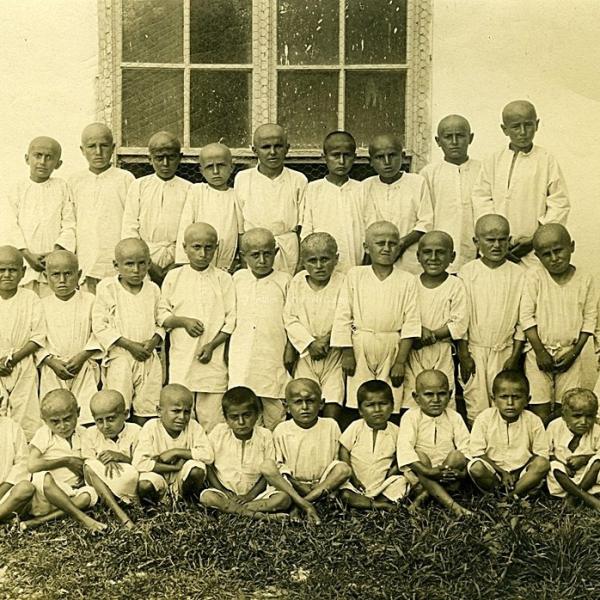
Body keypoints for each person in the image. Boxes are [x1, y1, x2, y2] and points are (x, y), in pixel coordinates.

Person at [331, 221, 421, 421]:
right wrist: (347, 353)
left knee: (390, 398)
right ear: (366, 247)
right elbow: (343, 315)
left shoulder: (407, 279)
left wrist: (400, 361)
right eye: (380, 243)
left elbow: (411, 322)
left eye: (392, 243)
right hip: (360, 343)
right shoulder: (355, 275)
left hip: (392, 345)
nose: (387, 248)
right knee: (359, 400)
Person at [472, 100, 569, 268]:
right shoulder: (493, 160)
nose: (523, 132)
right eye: (516, 127)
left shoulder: (546, 160)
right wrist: (498, 239)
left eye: (528, 125)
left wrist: (535, 239)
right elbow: (482, 199)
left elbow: (559, 204)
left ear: (537, 124)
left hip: (534, 249)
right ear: (505, 129)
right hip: (498, 248)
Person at [159, 223, 235, 432]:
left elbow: (231, 319)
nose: (203, 253)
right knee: (182, 415)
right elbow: (162, 315)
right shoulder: (175, 277)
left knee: (213, 419)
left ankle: (211, 461)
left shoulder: (223, 279)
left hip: (213, 360)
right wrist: (183, 321)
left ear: (216, 247)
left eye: (209, 247)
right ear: (184, 247)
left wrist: (212, 345)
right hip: (183, 358)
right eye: (196, 247)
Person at [520, 224, 596, 423]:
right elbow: (526, 317)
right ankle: (541, 451)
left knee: (567, 408)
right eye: (546, 254)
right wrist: (540, 351)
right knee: (540, 410)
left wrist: (573, 353)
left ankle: (560, 451)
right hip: (537, 353)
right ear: (537, 256)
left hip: (570, 352)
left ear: (571, 246)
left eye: (558, 250)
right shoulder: (534, 277)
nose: (554, 258)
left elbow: (589, 319)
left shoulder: (585, 279)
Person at [457, 215, 525, 424]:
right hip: (475, 351)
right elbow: (461, 317)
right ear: (477, 242)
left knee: (505, 406)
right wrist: (464, 354)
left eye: (502, 240)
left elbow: (523, 320)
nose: (496, 245)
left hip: (504, 351)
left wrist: (514, 357)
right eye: (490, 240)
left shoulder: (520, 274)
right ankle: (476, 453)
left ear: (509, 240)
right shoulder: (467, 273)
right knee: (476, 407)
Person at [92, 239, 163, 425]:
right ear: (116, 265)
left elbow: (161, 320)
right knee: (118, 404)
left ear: (149, 263)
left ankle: (143, 447)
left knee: (148, 405)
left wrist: (154, 341)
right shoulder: (107, 288)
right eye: (129, 264)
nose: (136, 270)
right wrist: (129, 346)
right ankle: (122, 447)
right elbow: (100, 325)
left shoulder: (153, 289)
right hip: (121, 355)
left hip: (148, 355)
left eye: (141, 263)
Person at [260, 379, 351, 524]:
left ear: (321, 404)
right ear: (286, 407)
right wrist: (297, 484)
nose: (304, 407)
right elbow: (279, 465)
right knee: (270, 469)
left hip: (321, 484)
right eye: (297, 402)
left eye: (310, 401)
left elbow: (335, 460)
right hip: (293, 485)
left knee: (343, 469)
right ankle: (309, 502)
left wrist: (320, 485)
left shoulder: (330, 425)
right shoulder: (281, 429)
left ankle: (300, 504)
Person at [228, 228, 291, 430]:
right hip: (242, 352)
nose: (262, 260)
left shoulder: (285, 280)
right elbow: (229, 316)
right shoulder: (237, 279)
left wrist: (290, 348)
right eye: (255, 255)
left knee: (274, 409)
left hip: (273, 352)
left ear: (276, 253)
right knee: (245, 404)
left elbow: (292, 318)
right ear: (243, 256)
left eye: (268, 254)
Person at [200, 387, 291, 519]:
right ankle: (260, 516)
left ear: (258, 414)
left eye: (247, 415)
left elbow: (268, 473)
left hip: (256, 496)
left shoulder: (265, 436)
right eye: (234, 417)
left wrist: (250, 496)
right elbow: (208, 465)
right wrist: (223, 490)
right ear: (225, 418)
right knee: (207, 497)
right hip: (226, 493)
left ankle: (232, 511)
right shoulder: (219, 433)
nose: (241, 422)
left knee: (283, 498)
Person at [21, 390, 105, 532]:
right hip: (47, 494)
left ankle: (39, 522)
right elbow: (32, 465)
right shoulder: (45, 433)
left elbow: (90, 460)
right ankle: (82, 518)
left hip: (71, 493)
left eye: (67, 419)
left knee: (89, 494)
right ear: (44, 419)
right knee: (42, 477)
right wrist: (65, 461)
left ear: (78, 412)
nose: (62, 426)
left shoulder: (84, 433)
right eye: (55, 422)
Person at [283, 233, 345, 422]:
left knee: (334, 395)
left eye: (325, 259)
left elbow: (347, 315)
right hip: (306, 353)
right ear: (303, 262)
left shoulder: (343, 282)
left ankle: (329, 439)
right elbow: (290, 318)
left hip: (333, 352)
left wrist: (327, 339)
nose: (319, 266)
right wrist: (310, 343)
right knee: (305, 395)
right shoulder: (297, 282)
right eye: (312, 261)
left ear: (336, 259)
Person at [404, 231, 468, 410]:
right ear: (418, 256)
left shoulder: (456, 285)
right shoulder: (410, 283)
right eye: (427, 252)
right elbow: (403, 314)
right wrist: (418, 330)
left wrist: (432, 335)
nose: (433, 258)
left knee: (442, 398)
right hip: (413, 348)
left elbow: (459, 323)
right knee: (414, 398)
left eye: (440, 252)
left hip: (441, 350)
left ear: (452, 256)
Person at [6, 136, 76, 297]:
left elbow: (69, 224)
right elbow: (10, 225)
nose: (43, 162)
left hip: (53, 265)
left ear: (58, 164)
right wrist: (27, 255)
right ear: (27, 158)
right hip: (24, 263)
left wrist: (56, 253)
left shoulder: (61, 187)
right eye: (38, 155)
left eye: (49, 157)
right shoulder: (16, 189)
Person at [69, 123, 134, 293]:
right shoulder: (74, 182)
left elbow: (132, 221)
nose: (98, 152)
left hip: (116, 263)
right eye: (92, 146)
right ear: (82, 150)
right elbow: (70, 222)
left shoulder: (125, 179)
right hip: (86, 262)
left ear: (113, 148)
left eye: (104, 146)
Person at [234, 123, 307, 275]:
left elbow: (302, 226)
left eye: (278, 146)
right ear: (255, 150)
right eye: (266, 147)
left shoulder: (298, 180)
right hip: (254, 250)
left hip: (287, 247)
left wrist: (301, 261)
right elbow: (240, 225)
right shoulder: (243, 179)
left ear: (287, 148)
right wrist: (243, 260)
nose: (272, 152)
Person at [397, 370, 471, 516]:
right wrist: (428, 472)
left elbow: (466, 448)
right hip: (421, 475)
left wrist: (460, 473)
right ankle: (453, 506)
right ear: (416, 397)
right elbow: (405, 450)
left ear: (449, 395)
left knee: (457, 455)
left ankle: (425, 496)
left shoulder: (454, 417)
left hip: (448, 473)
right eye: (429, 394)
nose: (436, 399)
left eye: (442, 394)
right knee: (419, 456)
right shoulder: (411, 417)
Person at [39, 250, 100, 425]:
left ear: (79, 274)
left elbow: (99, 331)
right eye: (56, 275)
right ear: (46, 276)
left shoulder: (90, 301)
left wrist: (83, 356)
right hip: (54, 369)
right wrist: (50, 361)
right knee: (55, 412)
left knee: (86, 413)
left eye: (68, 274)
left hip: (83, 365)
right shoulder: (41, 304)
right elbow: (36, 338)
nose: (62, 281)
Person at [121, 131, 190, 285]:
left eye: (171, 157)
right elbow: (129, 228)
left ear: (180, 158)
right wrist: (148, 265)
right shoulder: (138, 186)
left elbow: (190, 231)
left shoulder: (189, 189)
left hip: (178, 260)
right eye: (159, 158)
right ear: (150, 159)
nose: (165, 163)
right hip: (143, 261)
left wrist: (177, 264)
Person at [468, 370, 550, 498]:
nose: (510, 403)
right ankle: (503, 493)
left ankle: (511, 496)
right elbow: (477, 452)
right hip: (494, 472)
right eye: (504, 397)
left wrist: (517, 473)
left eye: (516, 397)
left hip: (522, 473)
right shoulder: (484, 418)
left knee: (542, 463)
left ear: (527, 400)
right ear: (494, 399)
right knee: (476, 467)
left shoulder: (533, 420)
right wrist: (502, 473)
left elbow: (541, 453)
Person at [300, 131, 374, 273]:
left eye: (346, 155)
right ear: (324, 157)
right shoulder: (313, 189)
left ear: (355, 158)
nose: (341, 161)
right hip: (321, 264)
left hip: (355, 261)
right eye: (335, 155)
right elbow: (307, 229)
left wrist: (367, 258)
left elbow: (370, 227)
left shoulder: (362, 189)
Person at [363, 133, 433, 274]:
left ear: (402, 156)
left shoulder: (417, 182)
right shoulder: (366, 186)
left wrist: (401, 243)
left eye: (392, 155)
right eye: (380, 157)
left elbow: (426, 222)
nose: (387, 162)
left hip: (410, 258)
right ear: (370, 161)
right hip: (377, 259)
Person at [133, 384, 213, 506]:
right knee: (144, 484)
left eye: (186, 412)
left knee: (197, 468)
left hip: (181, 481)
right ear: (159, 411)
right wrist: (174, 467)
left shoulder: (193, 426)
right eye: (176, 411)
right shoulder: (151, 427)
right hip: (159, 479)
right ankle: (154, 509)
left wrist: (176, 451)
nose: (181, 417)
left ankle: (188, 502)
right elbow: (139, 463)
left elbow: (208, 456)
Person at [420, 115, 480, 272]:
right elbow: (425, 215)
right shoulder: (429, 173)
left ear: (470, 138)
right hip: (440, 253)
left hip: (477, 250)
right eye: (448, 137)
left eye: (460, 136)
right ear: (438, 141)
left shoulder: (483, 170)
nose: (454, 142)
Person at [339, 380, 408, 509]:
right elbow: (344, 450)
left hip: (381, 485)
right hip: (355, 484)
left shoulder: (397, 431)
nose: (377, 409)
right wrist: (353, 478)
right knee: (345, 494)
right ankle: (379, 505)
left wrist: (392, 472)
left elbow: (402, 455)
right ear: (360, 410)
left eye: (383, 404)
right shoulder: (356, 427)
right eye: (370, 405)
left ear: (392, 406)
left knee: (401, 482)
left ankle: (370, 503)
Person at [0, 245, 45, 440]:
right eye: (1, 270)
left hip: (22, 361)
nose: (7, 275)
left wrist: (13, 359)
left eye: (12, 270)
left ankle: (24, 458)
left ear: (23, 272)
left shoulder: (31, 298)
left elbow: (38, 337)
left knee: (25, 412)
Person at [175, 143, 241, 271]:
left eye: (221, 165)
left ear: (231, 167)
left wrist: (237, 260)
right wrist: (184, 263)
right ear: (201, 171)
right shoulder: (196, 191)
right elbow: (185, 226)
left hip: (227, 263)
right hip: (197, 263)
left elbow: (240, 231)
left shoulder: (236, 195)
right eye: (210, 167)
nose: (216, 172)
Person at [82, 390, 140, 529]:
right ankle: (120, 514)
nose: (105, 426)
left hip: (129, 480)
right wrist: (106, 460)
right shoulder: (90, 434)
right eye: (99, 421)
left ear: (125, 414)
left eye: (111, 419)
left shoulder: (136, 431)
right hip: (101, 483)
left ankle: (128, 502)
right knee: (89, 465)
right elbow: (88, 465)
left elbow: (142, 464)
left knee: (131, 473)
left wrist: (121, 457)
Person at [546, 388, 600, 510]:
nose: (584, 422)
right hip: (563, 477)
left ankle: (574, 495)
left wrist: (585, 459)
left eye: (590, 416)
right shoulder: (554, 426)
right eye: (577, 416)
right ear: (564, 416)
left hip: (587, 476)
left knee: (597, 462)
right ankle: (587, 498)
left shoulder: (597, 430)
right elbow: (546, 452)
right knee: (554, 467)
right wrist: (560, 463)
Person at [0, 416, 35, 522]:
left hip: (5, 494)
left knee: (26, 488)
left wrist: (2, 490)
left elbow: (23, 463)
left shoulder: (11, 427)